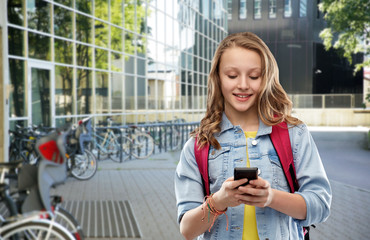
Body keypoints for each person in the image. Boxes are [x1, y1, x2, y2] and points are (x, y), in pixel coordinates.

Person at [174, 32, 332, 240]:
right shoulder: (198, 145)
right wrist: (219, 201)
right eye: (232, 75)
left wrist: (271, 197)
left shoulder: (295, 135)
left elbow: (320, 206)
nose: (243, 85)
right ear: (218, 79)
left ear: (266, 78)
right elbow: (187, 229)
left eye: (254, 76)